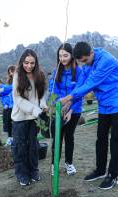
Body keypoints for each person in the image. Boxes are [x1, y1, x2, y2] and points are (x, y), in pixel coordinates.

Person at [60, 42, 118, 190]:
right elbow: (81, 83)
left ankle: (113, 175)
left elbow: (91, 83)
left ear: (91, 53)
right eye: (81, 62)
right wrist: (70, 103)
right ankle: (100, 170)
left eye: (85, 60)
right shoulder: (86, 63)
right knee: (101, 138)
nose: (84, 64)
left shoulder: (107, 61)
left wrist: (67, 98)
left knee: (116, 139)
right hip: (104, 103)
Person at [11, 49, 48, 186]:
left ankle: (34, 171)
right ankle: (22, 174)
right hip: (20, 119)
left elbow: (44, 92)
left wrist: (43, 104)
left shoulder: (40, 75)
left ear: (36, 63)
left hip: (34, 118)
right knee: (20, 147)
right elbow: (18, 99)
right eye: (26, 63)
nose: (29, 66)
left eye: (32, 63)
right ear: (22, 62)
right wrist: (36, 110)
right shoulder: (17, 76)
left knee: (33, 146)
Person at [49, 43, 84, 176]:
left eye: (65, 55)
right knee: (57, 137)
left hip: (74, 111)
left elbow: (79, 91)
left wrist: (70, 109)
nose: (62, 59)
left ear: (72, 55)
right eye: (60, 56)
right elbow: (53, 89)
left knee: (69, 137)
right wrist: (59, 105)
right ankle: (54, 164)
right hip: (58, 109)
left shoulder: (79, 72)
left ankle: (69, 163)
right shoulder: (56, 71)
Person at [0, 65, 16, 145]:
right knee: (8, 122)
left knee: (15, 122)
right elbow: (2, 95)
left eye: (12, 71)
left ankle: (16, 137)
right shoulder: (8, 82)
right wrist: (4, 104)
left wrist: (4, 88)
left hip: (16, 105)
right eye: (9, 72)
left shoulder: (19, 80)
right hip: (8, 106)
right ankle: (10, 138)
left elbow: (14, 87)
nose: (11, 73)